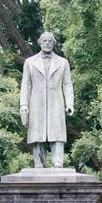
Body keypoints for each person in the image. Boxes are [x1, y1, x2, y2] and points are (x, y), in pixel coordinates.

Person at [20, 32, 74, 168]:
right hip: (36, 102)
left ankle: (58, 161)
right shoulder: (29, 62)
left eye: (50, 41)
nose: (47, 43)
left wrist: (69, 103)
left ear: (53, 43)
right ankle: (39, 162)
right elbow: (26, 84)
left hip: (56, 102)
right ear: (40, 43)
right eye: (45, 41)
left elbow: (67, 84)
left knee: (57, 132)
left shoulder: (63, 62)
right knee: (37, 133)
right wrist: (24, 104)